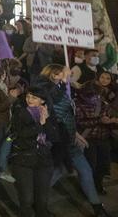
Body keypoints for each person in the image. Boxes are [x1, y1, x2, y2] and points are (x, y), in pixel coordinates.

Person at [40, 64, 110, 216]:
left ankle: (97, 207)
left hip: (70, 140)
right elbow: (57, 118)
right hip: (61, 142)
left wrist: (76, 135)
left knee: (85, 171)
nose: (70, 75)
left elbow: (67, 117)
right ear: (55, 75)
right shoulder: (52, 92)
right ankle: (38, 203)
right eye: (67, 73)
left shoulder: (61, 91)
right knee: (59, 171)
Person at [9, 86, 59, 217]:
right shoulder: (20, 112)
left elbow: (54, 136)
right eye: (28, 96)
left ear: (42, 101)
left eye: (34, 97)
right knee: (26, 198)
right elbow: (20, 134)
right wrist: (39, 124)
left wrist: (46, 121)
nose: (29, 99)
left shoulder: (48, 113)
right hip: (23, 159)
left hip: (44, 160)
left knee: (42, 199)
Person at [76, 80, 114, 196]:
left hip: (103, 138)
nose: (96, 97)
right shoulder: (78, 104)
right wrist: (99, 120)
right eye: (94, 94)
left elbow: (109, 116)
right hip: (88, 139)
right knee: (89, 166)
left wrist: (110, 120)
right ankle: (87, 188)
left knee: (103, 165)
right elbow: (80, 123)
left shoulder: (103, 103)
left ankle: (98, 184)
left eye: (98, 94)